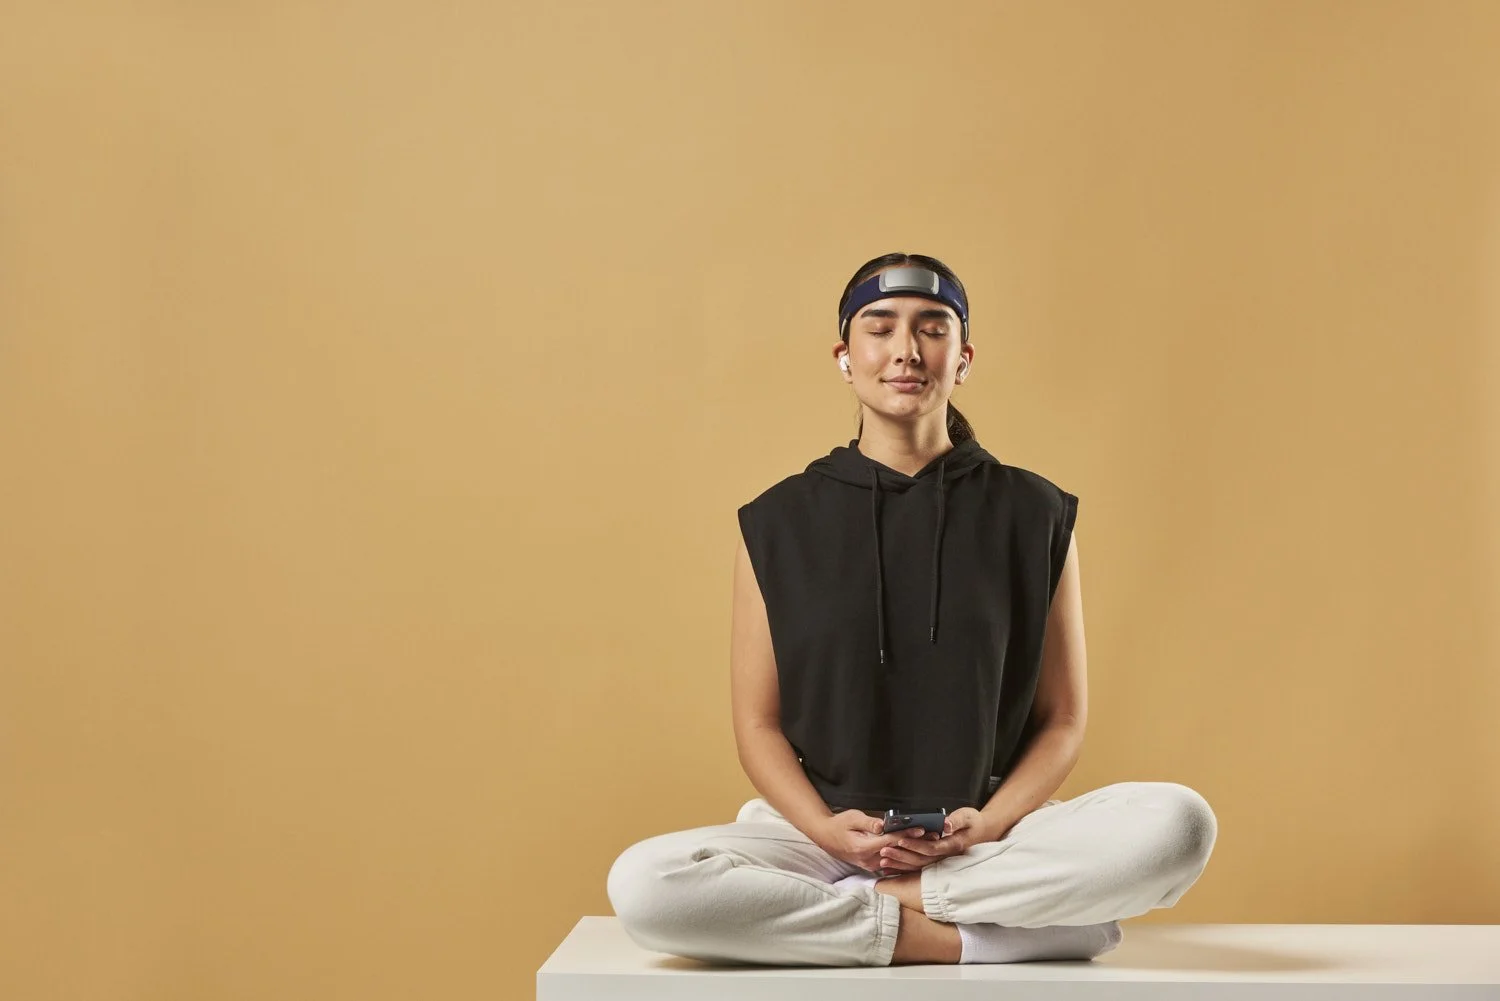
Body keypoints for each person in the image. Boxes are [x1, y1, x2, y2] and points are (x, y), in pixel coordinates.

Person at [606, 252, 1217, 967]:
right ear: (845, 354)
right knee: (647, 885)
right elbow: (758, 724)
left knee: (1179, 825)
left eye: (932, 328)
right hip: (818, 840)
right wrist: (831, 833)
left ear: (962, 357)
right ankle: (989, 936)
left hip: (987, 837)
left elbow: (1063, 719)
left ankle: (902, 904)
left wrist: (986, 825)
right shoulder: (776, 521)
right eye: (880, 327)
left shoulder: (1034, 512)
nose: (905, 350)